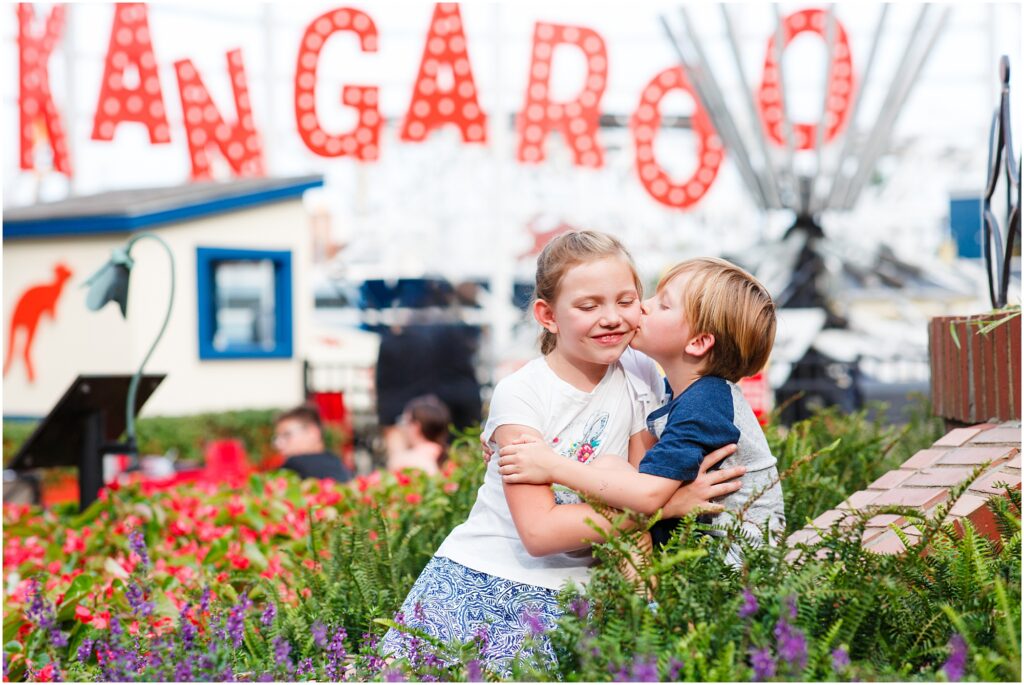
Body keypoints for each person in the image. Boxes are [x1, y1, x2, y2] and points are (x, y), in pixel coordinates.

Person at [379, 232, 745, 673]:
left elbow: (639, 477)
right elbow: (540, 533)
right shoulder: (522, 395)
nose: (611, 318)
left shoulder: (640, 370)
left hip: (584, 593)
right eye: (588, 306)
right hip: (489, 582)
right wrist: (665, 509)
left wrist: (654, 502)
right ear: (547, 315)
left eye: (625, 300)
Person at [498, 257, 786, 562]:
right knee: (611, 487)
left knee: (610, 472)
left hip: (734, 559)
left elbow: (647, 495)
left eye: (663, 304)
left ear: (699, 342)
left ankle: (642, 603)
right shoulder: (687, 394)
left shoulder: (705, 402)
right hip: (704, 544)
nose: (642, 306)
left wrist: (552, 465)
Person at [273, 405, 353, 483]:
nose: (278, 444)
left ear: (313, 432)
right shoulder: (336, 462)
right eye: (277, 437)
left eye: (286, 435)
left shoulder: (294, 465)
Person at [386, 395, 451, 476]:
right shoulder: (453, 460)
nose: (403, 428)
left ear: (416, 427)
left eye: (404, 421)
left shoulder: (405, 461)